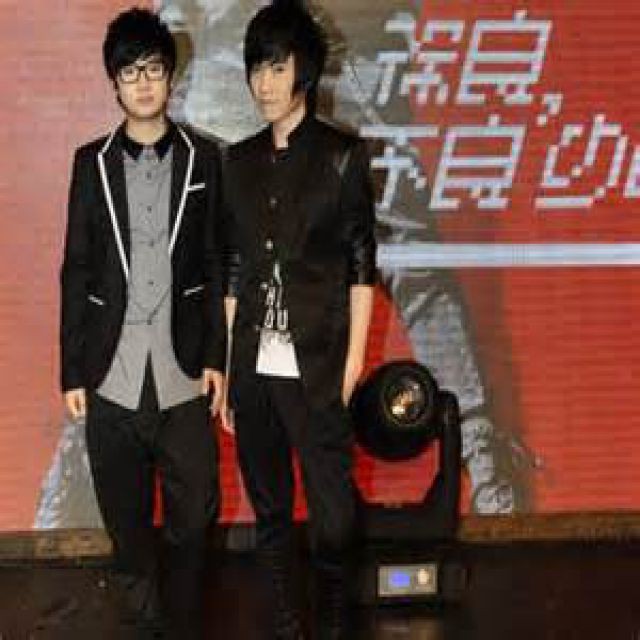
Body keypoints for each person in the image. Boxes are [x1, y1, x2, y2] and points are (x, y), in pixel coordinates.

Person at [59, 8, 226, 637]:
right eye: (130, 73)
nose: (144, 83)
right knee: (125, 520)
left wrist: (216, 358)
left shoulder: (204, 159)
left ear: (170, 76)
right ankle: (147, 620)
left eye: (153, 69)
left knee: (197, 512)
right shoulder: (91, 164)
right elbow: (76, 267)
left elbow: (215, 263)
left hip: (183, 371)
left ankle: (182, 617)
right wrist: (72, 370)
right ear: (115, 83)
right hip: (112, 371)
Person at [221, 2, 376, 637]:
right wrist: (229, 368)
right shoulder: (237, 162)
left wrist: (353, 361)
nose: (264, 83)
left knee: (334, 516)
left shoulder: (342, 157)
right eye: (257, 68)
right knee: (271, 509)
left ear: (304, 72)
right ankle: (289, 624)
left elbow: (362, 264)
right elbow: (234, 267)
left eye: (277, 68)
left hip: (317, 363)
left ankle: (334, 615)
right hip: (254, 365)